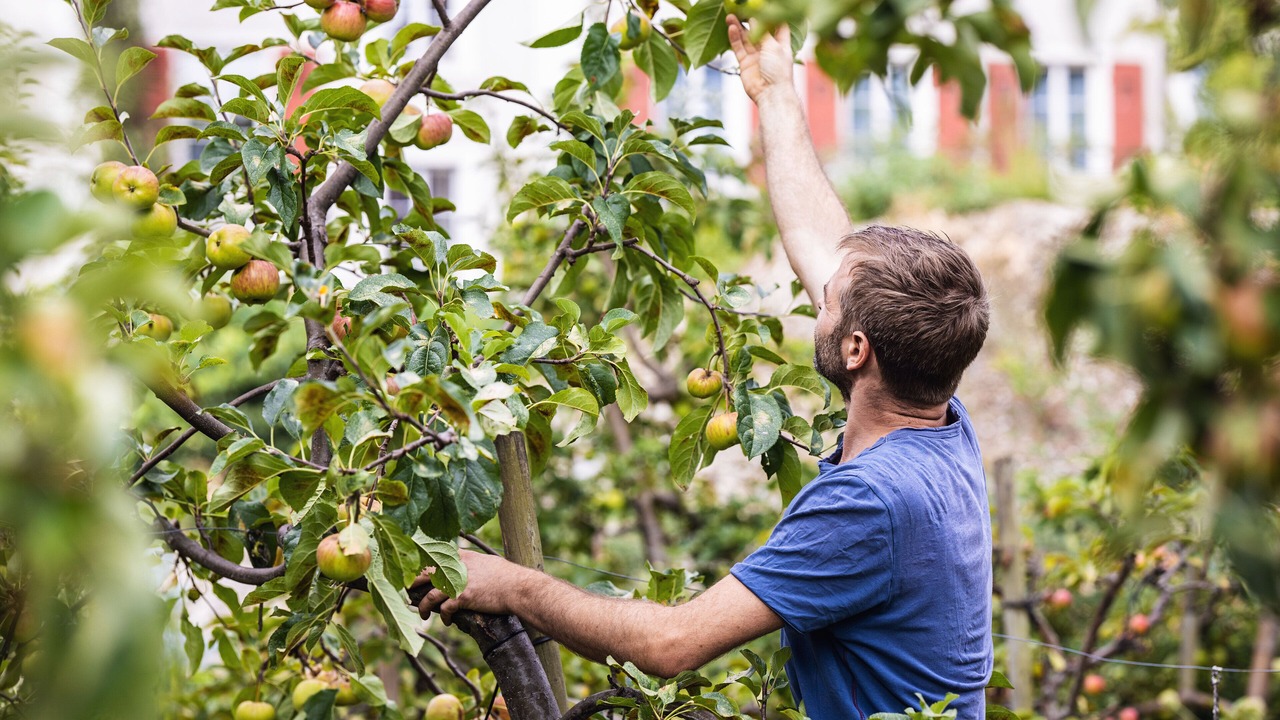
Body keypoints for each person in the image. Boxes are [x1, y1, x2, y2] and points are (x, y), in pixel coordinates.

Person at [415, 15, 994, 719]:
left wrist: (513, 585)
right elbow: (824, 245)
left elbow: (671, 644)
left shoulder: (869, 502)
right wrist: (776, 95)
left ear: (856, 350)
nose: (816, 294)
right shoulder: (943, 429)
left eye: (827, 300)